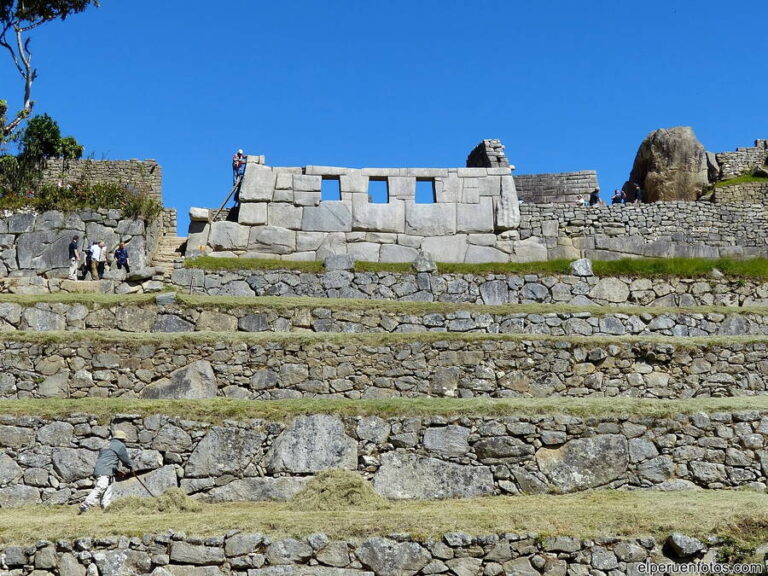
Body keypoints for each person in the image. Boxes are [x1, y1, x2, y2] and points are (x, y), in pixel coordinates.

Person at [78, 430, 133, 513]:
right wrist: (130, 466)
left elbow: (108, 459)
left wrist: (117, 471)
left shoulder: (106, 445)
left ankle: (107, 509)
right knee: (102, 486)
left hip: (102, 469)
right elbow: (125, 458)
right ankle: (87, 503)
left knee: (107, 490)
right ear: (122, 439)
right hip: (105, 470)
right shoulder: (120, 445)